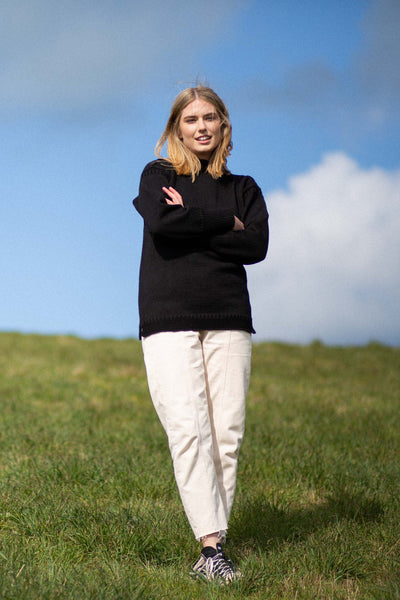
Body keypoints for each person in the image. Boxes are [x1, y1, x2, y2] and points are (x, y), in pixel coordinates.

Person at [133, 85, 269, 583]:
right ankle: (211, 549)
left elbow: (255, 244)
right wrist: (220, 224)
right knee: (189, 429)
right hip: (168, 318)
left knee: (226, 435)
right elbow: (163, 223)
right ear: (176, 128)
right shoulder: (157, 176)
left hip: (229, 316)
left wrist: (193, 220)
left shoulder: (245, 188)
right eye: (191, 120)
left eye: (210, 118)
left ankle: (215, 549)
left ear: (224, 125)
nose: (202, 127)